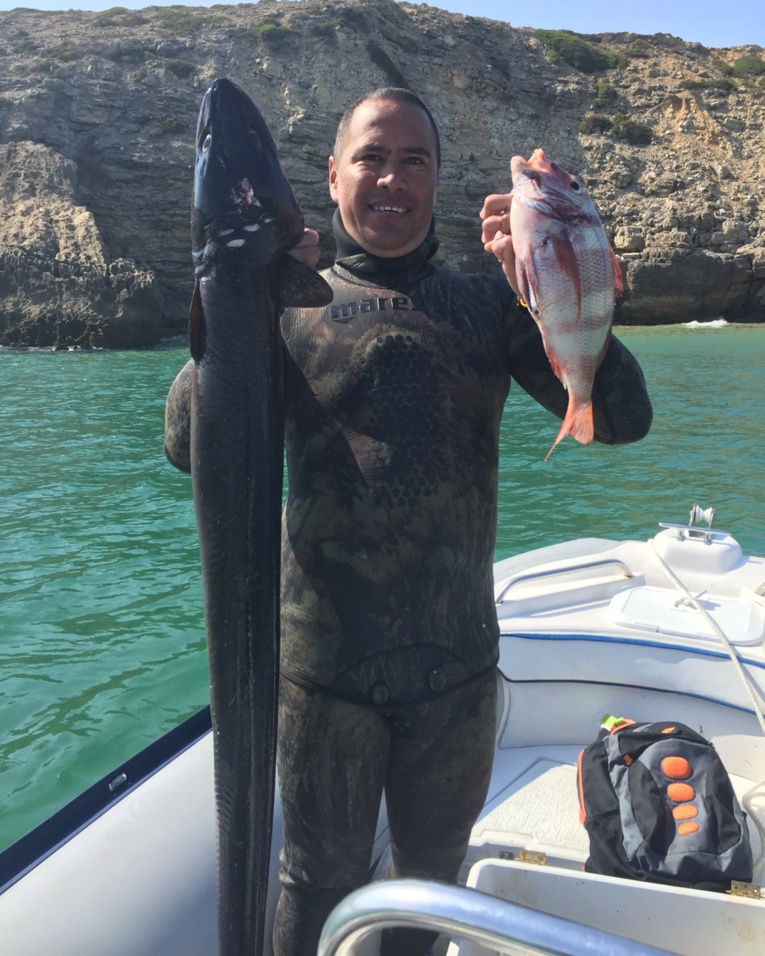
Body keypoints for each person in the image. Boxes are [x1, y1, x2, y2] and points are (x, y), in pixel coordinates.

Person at [164, 87, 652, 956]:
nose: (392, 179)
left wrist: (553, 281)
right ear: (332, 175)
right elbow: (185, 444)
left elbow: (618, 418)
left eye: (413, 161)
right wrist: (245, 291)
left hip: (457, 673)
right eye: (371, 158)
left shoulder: (488, 308)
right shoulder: (291, 303)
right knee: (313, 883)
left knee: (429, 885)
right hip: (322, 682)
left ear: (438, 179)